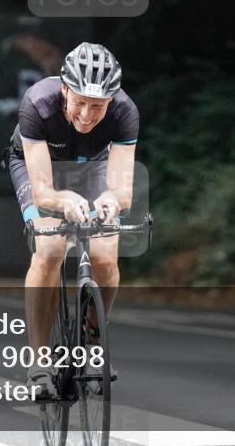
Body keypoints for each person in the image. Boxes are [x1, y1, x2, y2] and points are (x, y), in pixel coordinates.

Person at [7, 42, 139, 398]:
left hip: (92, 166)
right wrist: (61, 200)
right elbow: (44, 191)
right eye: (79, 102)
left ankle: (93, 342)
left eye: (97, 106)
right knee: (49, 249)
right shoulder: (37, 103)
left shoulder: (125, 112)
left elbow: (123, 190)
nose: (86, 114)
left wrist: (112, 200)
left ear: (111, 101)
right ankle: (38, 361)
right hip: (38, 166)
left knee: (105, 255)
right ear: (64, 89)